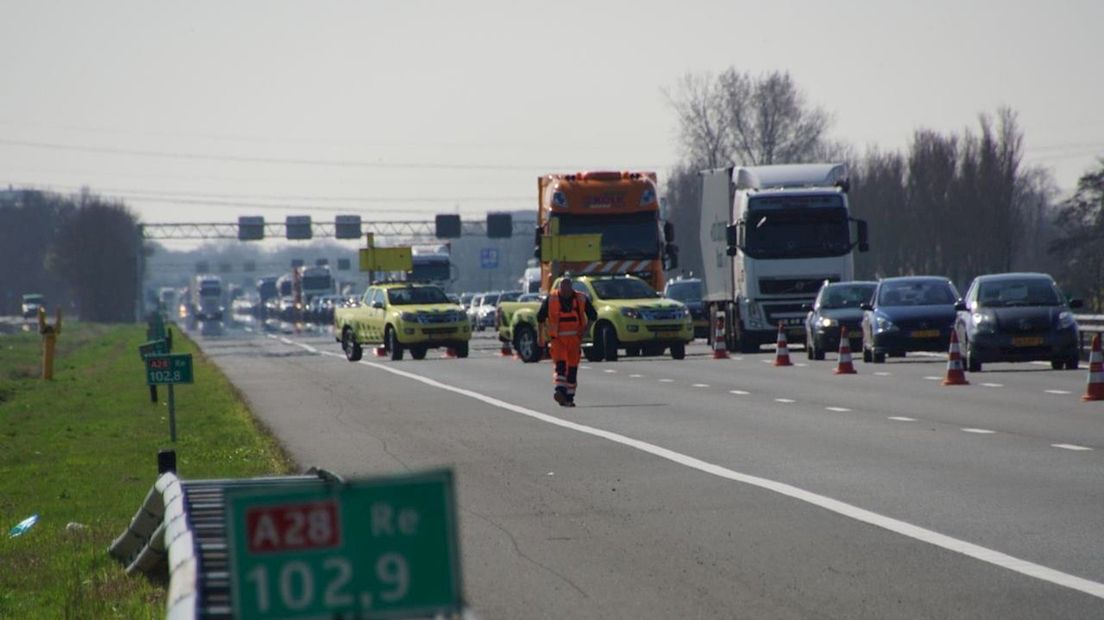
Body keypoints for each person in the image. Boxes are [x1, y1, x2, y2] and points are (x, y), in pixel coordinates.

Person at [537, 274, 597, 407]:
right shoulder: (551, 299)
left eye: (568, 287)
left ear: (571, 288)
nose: (565, 291)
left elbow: (593, 315)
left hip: (575, 340)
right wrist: (540, 337)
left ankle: (569, 397)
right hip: (558, 339)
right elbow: (540, 318)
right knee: (561, 366)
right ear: (559, 288)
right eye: (563, 288)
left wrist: (586, 330)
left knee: (572, 368)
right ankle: (560, 391)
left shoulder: (581, 298)